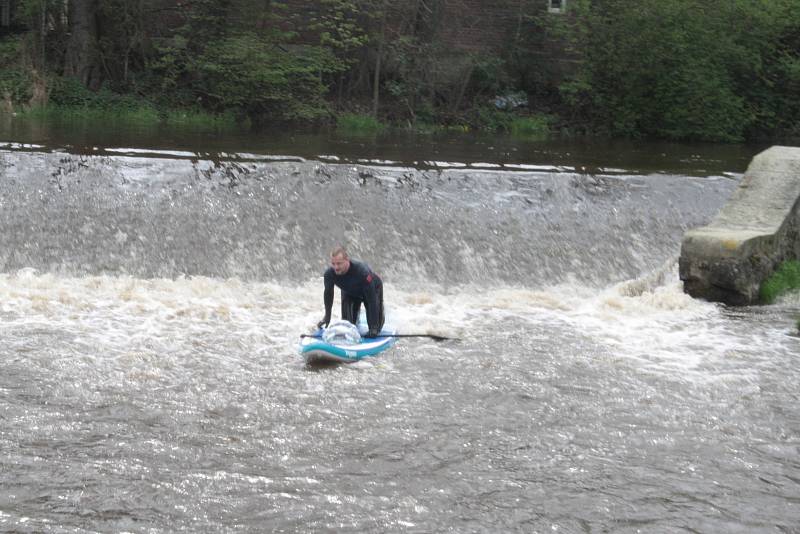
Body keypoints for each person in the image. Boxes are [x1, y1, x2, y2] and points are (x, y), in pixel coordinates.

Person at [317, 246, 385, 338]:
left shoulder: (362, 272)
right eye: (333, 264)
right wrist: (327, 316)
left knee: (376, 329)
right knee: (347, 328)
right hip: (350, 293)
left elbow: (371, 300)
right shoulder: (329, 274)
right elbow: (328, 295)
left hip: (372, 290)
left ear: (347, 260)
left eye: (339, 264)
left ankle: (375, 327)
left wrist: (373, 327)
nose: (336, 267)